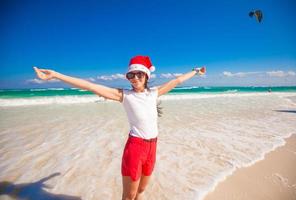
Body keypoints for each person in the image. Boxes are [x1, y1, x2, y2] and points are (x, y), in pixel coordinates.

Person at [33, 55, 205, 200]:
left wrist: (196, 71)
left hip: (152, 147)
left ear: (146, 76)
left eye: (139, 74)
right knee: (129, 196)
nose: (135, 78)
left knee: (142, 191)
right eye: (131, 75)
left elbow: (178, 80)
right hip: (136, 147)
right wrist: (55, 75)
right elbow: (90, 86)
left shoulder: (154, 93)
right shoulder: (125, 95)